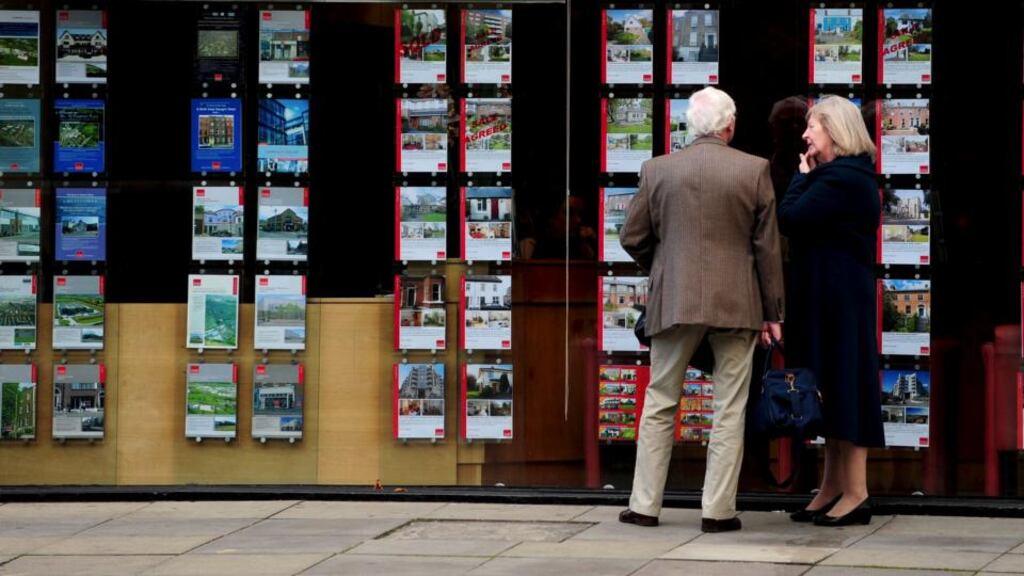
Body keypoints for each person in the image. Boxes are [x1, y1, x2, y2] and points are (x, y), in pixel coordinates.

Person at [617, 87, 785, 533]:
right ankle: (718, 511)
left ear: (691, 126)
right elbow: (767, 250)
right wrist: (773, 312)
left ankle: (644, 505)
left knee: (660, 400)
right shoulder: (754, 169)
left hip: (675, 299)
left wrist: (663, 266)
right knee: (729, 406)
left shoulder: (657, 169)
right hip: (737, 302)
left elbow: (631, 237)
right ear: (730, 125)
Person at [778, 95, 884, 527]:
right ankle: (831, 486)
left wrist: (800, 177)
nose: (805, 135)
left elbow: (790, 217)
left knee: (846, 386)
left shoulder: (841, 178)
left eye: (813, 127)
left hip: (839, 300)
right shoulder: (841, 175)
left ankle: (856, 493)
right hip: (830, 297)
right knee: (830, 388)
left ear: (835, 131)